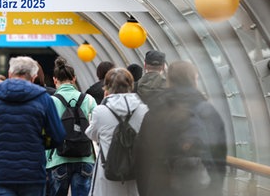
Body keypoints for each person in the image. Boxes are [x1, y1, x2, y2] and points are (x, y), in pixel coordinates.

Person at [0, 56, 65, 196]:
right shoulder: (43, 98)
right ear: (33, 77)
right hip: (33, 173)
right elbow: (58, 136)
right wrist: (40, 142)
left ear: (10, 74)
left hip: (1, 172)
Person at [135, 61, 227, 196]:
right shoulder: (207, 112)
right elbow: (218, 158)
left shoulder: (154, 113)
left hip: (159, 186)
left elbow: (142, 157)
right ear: (195, 80)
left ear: (169, 81)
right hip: (197, 187)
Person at [85, 68, 148, 196]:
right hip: (134, 171)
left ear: (106, 87)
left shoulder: (100, 111)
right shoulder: (143, 109)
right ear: (131, 85)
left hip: (108, 171)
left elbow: (91, 134)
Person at [46, 57, 98, 196]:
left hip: (58, 158)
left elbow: (45, 131)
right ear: (74, 79)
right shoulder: (89, 99)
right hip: (85, 157)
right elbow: (96, 126)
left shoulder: (50, 101)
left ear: (55, 80)